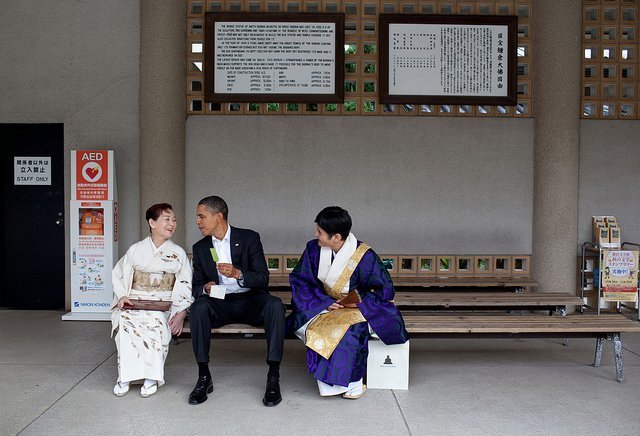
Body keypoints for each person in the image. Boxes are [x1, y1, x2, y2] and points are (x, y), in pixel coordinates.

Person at [288, 206, 409, 398]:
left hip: (357, 308)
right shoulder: (313, 249)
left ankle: (353, 383)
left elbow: (384, 290)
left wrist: (358, 302)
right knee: (320, 329)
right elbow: (300, 281)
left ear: (336, 237)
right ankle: (336, 384)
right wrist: (324, 302)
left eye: (320, 232)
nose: (315, 234)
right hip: (323, 306)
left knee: (349, 333)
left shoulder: (365, 256)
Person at [188, 196, 285, 406]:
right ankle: (204, 376)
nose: (197, 221)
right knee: (198, 308)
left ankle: (273, 376)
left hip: (250, 300)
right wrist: (206, 287)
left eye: (201, 216)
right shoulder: (201, 248)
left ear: (219, 216)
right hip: (220, 302)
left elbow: (262, 277)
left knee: (275, 305)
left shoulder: (249, 238)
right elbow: (196, 286)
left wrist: (238, 274)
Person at [111, 203, 193, 397]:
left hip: (163, 305)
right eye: (167, 219)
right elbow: (118, 274)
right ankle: (125, 376)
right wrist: (122, 295)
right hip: (135, 301)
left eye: (173, 220)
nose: (172, 224)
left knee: (156, 326)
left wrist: (180, 311)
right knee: (125, 325)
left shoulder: (178, 253)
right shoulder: (135, 250)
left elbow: (184, 283)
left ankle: (151, 376)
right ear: (152, 222)